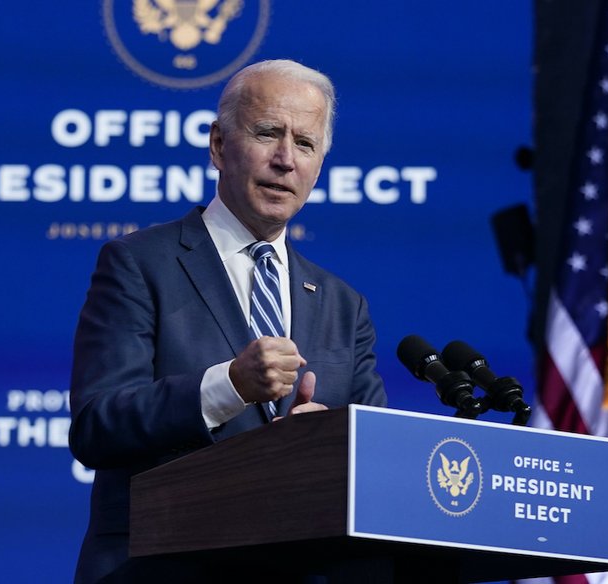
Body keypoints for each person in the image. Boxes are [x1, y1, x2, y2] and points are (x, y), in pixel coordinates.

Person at [68, 59, 387, 583]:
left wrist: (328, 446)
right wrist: (227, 386)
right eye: (267, 134)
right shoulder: (139, 263)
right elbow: (96, 425)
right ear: (218, 145)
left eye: (305, 144)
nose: (286, 160)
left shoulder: (341, 304)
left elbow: (374, 462)